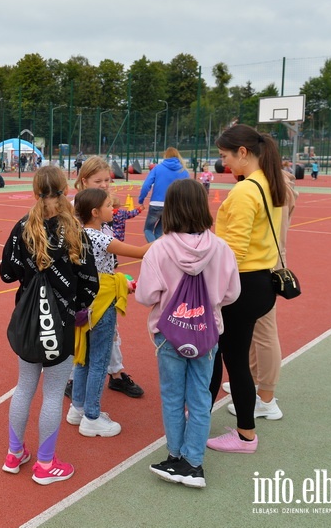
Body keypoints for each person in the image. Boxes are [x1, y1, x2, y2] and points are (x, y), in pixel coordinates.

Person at [136, 178, 240, 488]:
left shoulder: (159, 249)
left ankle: (174, 455)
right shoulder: (221, 248)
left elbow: (145, 296)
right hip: (206, 333)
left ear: (169, 210)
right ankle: (194, 462)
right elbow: (232, 293)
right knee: (200, 396)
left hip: (169, 334)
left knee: (171, 396)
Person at [0, 166, 98, 484]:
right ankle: (45, 464)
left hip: (29, 321)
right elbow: (90, 283)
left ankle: (14, 454)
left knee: (25, 387)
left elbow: (5, 272)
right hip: (62, 323)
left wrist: (30, 274)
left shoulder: (22, 227)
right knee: (53, 393)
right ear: (66, 189)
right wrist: (79, 307)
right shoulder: (75, 231)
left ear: (34, 190)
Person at [208, 124, 287, 453]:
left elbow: (234, 253)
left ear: (243, 152)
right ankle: (231, 424)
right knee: (228, 355)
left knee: (229, 358)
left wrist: (211, 288)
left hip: (241, 283)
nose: (224, 163)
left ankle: (244, 434)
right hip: (262, 282)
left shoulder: (244, 191)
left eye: (226, 155)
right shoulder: (270, 184)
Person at [69, 188, 149, 437]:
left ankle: (78, 408)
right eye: (107, 206)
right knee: (100, 360)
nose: (112, 209)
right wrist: (168, 237)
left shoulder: (78, 233)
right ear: (94, 212)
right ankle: (92, 416)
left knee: (84, 357)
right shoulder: (99, 237)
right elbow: (139, 252)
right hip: (101, 300)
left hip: (84, 300)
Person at [224, 169, 298, 420]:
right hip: (267, 262)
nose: (228, 163)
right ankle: (255, 384)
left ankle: (266, 397)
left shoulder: (270, 186)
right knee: (256, 332)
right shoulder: (274, 184)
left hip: (262, 265)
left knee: (264, 332)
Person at [72, 156, 145, 399]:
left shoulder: (103, 214)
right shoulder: (79, 214)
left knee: (108, 330)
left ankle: (114, 373)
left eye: (107, 180)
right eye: (98, 180)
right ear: (84, 181)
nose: (104, 184)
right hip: (90, 285)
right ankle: (78, 382)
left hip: (105, 279)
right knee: (88, 330)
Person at [138, 148, 188, 242]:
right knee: (159, 231)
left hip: (156, 203)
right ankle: (159, 251)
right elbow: (188, 190)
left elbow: (146, 185)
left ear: (165, 156)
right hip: (172, 206)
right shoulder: (183, 171)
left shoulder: (158, 168)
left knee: (148, 229)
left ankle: (154, 249)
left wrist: (141, 200)